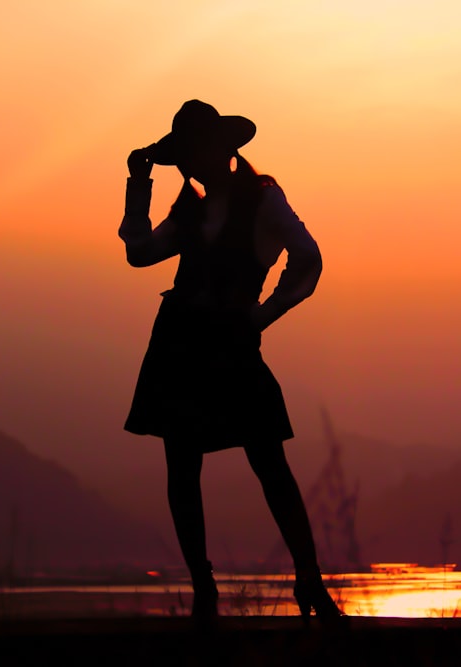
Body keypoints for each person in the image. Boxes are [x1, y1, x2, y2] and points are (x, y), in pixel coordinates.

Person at [119, 100, 344, 626]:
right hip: (179, 342)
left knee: (269, 464)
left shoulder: (263, 199)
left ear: (225, 149)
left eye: (196, 150)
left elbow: (308, 257)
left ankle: (308, 578)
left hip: (231, 342)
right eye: (184, 156)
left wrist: (263, 316)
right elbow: (139, 253)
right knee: (183, 468)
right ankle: (204, 588)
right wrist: (137, 186)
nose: (191, 163)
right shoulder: (190, 211)